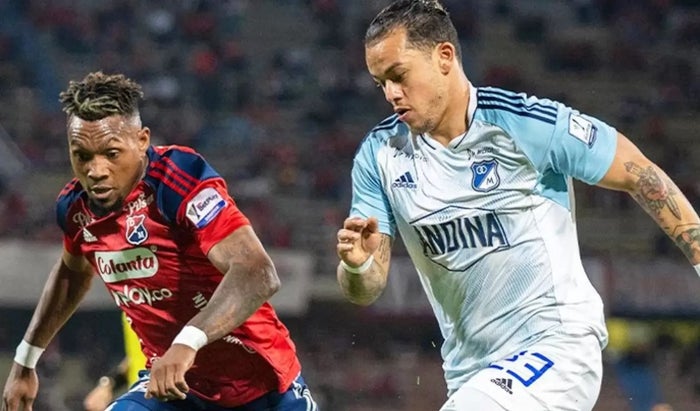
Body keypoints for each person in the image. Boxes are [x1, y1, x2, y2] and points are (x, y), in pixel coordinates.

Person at [335, 1, 700, 410]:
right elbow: (366, 289)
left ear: (444, 57)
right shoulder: (379, 155)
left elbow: (640, 173)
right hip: (470, 373)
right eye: (380, 83)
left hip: (557, 346)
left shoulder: (525, 124)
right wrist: (358, 266)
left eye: (399, 75)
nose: (391, 94)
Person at [2, 71, 318, 411]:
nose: (96, 171)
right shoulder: (74, 207)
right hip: (175, 390)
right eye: (82, 156)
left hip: (262, 388)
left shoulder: (177, 178)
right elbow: (72, 274)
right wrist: (25, 361)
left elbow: (257, 273)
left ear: (142, 141)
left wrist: (187, 342)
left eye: (111, 153)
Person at [83, 313, 147, 411]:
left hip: (160, 398)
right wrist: (108, 384)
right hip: (140, 397)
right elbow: (137, 355)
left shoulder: (164, 309)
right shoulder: (129, 310)